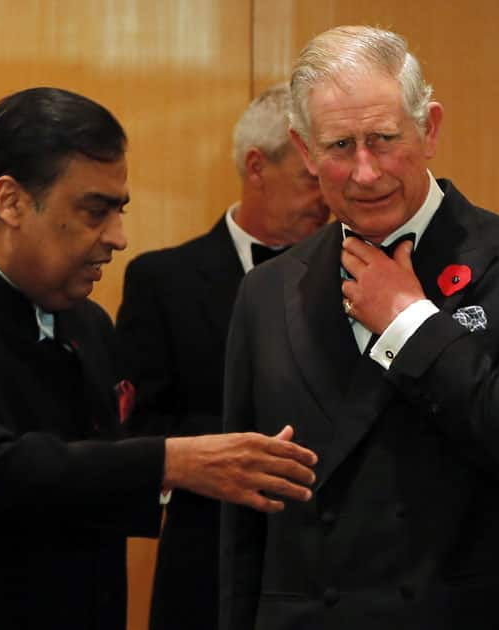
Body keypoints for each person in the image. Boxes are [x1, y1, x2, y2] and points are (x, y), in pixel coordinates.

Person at [220, 25, 499, 630]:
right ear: (305, 151)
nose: (365, 172)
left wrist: (412, 322)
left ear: (430, 128)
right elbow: (244, 514)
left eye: (384, 139)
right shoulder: (266, 290)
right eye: (339, 146)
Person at [0, 87, 318, 630]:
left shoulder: (87, 321)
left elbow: (93, 472)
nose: (119, 238)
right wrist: (172, 461)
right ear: (11, 201)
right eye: (95, 212)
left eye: (119, 210)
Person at [116, 83, 328, 630]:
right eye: (311, 177)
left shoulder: (368, 273)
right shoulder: (162, 280)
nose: (328, 194)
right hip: (206, 558)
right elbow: (142, 425)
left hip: (335, 567)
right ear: (257, 166)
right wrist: (254, 447)